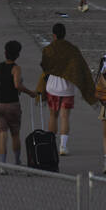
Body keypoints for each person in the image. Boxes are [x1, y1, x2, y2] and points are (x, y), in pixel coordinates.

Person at [37, 22, 97, 156]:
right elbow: (80, 67)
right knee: (65, 117)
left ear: (53, 35)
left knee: (53, 115)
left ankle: (51, 144)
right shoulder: (72, 49)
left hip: (52, 87)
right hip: (67, 89)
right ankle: (63, 146)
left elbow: (45, 66)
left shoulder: (49, 49)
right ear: (64, 34)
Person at [0, 40, 37, 167]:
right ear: (17, 55)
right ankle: (16, 161)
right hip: (12, 105)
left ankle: (2, 165)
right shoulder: (16, 68)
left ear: (5, 53)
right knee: (15, 134)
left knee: (2, 134)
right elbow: (17, 85)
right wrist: (30, 92)